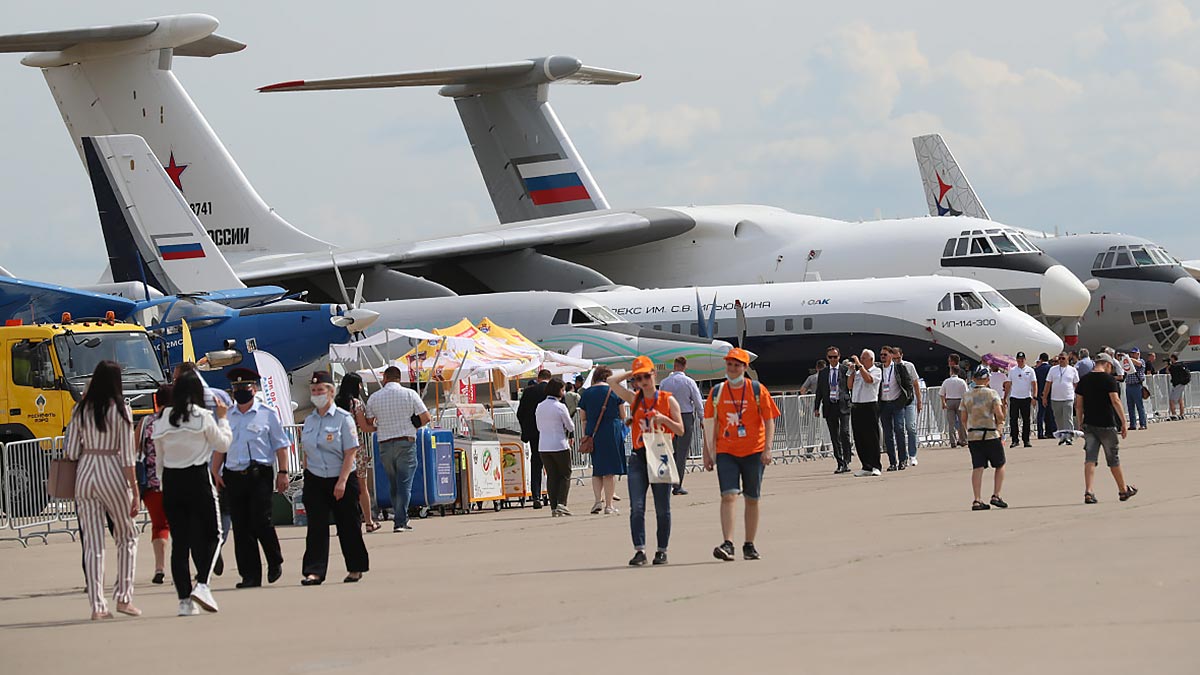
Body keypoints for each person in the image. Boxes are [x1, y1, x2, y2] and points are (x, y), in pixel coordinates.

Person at [65, 361, 141, 620]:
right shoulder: (121, 411)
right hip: (112, 469)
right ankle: (123, 597)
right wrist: (135, 491)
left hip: (85, 473)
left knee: (93, 543)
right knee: (127, 536)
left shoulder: (80, 410)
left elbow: (71, 451)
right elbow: (129, 458)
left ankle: (98, 605)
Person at [153, 370, 231, 616]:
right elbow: (223, 444)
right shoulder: (204, 416)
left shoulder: (163, 418)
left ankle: (184, 600)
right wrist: (224, 419)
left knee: (181, 544)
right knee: (215, 534)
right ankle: (203, 585)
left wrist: (164, 487)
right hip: (197, 476)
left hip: (171, 481)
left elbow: (159, 459)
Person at [211, 367, 290, 589]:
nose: (240, 392)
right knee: (242, 526)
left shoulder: (266, 413)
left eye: (244, 387)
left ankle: (274, 560)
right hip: (233, 476)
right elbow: (221, 445)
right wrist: (215, 472)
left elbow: (281, 445)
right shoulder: (227, 416)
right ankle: (249, 575)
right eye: (236, 388)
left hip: (259, 475)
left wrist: (283, 473)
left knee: (261, 521)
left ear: (253, 389)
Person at [702, 348, 780, 561]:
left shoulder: (756, 390)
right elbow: (709, 425)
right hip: (726, 450)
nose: (732, 368)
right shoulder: (717, 392)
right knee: (728, 495)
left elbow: (769, 419)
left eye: (737, 365)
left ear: (745, 368)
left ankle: (749, 544)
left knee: (752, 498)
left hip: (754, 451)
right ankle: (728, 543)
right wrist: (707, 454)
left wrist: (768, 449)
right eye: (729, 364)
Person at [608, 357, 685, 565]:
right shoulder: (635, 400)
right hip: (639, 457)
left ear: (654, 375)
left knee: (662, 507)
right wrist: (630, 373)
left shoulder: (668, 400)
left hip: (660, 454)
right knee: (637, 506)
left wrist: (665, 419)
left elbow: (680, 429)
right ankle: (640, 550)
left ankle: (662, 550)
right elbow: (611, 382)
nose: (643, 381)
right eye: (638, 378)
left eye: (646, 376)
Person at [300, 371, 370, 585]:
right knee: (316, 527)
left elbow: (351, 452)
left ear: (330, 392)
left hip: (341, 477)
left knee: (348, 525)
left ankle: (355, 568)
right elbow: (307, 449)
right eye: (313, 391)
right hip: (315, 478)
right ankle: (314, 571)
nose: (316, 394)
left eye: (320, 390)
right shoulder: (310, 420)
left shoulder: (343, 418)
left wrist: (341, 482)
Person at [173, 362, 233, 577]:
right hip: (217, 464)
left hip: (192, 468)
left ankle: (208, 554)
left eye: (176, 378)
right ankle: (214, 549)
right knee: (220, 514)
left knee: (197, 519)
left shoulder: (178, 406)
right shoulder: (219, 397)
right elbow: (227, 435)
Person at [362, 366, 430, 532]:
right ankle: (400, 521)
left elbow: (369, 422)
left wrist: (382, 424)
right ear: (399, 378)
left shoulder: (374, 397)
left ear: (385, 378)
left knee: (393, 483)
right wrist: (414, 425)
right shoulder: (410, 394)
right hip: (405, 442)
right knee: (404, 483)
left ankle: (400, 516)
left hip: (384, 443)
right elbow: (426, 417)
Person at [1075, 354, 1137, 504]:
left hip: (1089, 424)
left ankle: (1089, 491)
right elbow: (1115, 400)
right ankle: (1123, 490)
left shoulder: (1084, 379)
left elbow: (1079, 404)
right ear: (1108, 364)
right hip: (1106, 424)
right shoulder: (1109, 380)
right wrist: (1123, 421)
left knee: (1090, 458)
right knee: (1113, 458)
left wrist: (1079, 422)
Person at [137, 383, 173, 586]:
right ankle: (182, 565)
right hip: (177, 481)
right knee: (181, 526)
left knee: (159, 526)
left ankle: (160, 567)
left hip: (151, 484)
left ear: (156, 401)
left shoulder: (145, 423)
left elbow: (136, 451)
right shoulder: (181, 421)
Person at [335, 373, 380, 533]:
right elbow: (364, 427)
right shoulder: (356, 404)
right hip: (355, 447)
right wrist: (379, 428)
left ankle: (343, 524)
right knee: (361, 486)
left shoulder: (335, 403)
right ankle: (368, 521)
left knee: (341, 485)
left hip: (338, 448)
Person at [959, 365, 1008, 511]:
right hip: (990, 433)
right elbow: (999, 415)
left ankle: (977, 499)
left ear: (974, 379)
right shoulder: (992, 394)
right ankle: (996, 494)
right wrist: (1000, 428)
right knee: (1000, 464)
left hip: (974, 435)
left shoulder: (967, 395)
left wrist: (969, 429)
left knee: (978, 466)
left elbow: (963, 417)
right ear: (987, 379)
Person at [579, 366, 627, 514]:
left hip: (594, 432)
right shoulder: (614, 391)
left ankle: (597, 501)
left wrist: (586, 434)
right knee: (610, 470)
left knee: (598, 468)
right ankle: (609, 505)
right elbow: (623, 414)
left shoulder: (587, 393)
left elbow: (583, 418)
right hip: (612, 430)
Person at [659, 356, 704, 495]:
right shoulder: (689, 382)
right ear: (685, 367)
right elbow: (697, 401)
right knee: (682, 452)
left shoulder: (664, 382)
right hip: (684, 417)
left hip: (668, 417)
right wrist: (702, 418)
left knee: (670, 451)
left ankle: (666, 482)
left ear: (674, 366)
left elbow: (660, 399)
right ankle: (677, 485)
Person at [534, 379, 575, 516]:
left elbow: (538, 426)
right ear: (559, 390)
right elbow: (570, 426)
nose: (563, 393)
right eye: (562, 390)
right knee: (565, 474)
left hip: (543, 446)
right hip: (559, 444)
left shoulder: (540, 406)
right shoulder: (560, 406)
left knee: (552, 476)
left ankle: (553, 507)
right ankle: (561, 503)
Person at [814, 346, 853, 473]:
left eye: (835, 357)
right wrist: (816, 407)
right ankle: (840, 462)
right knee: (834, 436)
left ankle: (847, 459)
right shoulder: (823, 372)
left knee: (844, 432)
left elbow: (851, 386)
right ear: (827, 358)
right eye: (830, 357)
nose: (833, 359)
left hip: (843, 404)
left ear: (839, 357)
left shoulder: (845, 370)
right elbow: (819, 391)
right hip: (830, 405)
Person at [516, 370, 552, 508]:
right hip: (550, 432)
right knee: (551, 463)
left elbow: (520, 413)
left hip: (534, 433)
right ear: (550, 378)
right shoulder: (553, 390)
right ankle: (551, 493)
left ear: (538, 378)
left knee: (536, 462)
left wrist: (526, 429)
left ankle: (536, 495)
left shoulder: (529, 392)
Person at [848, 349, 883, 477]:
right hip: (857, 405)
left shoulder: (877, 371)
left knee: (872, 437)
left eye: (864, 358)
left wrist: (859, 365)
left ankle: (876, 465)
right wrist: (852, 371)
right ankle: (866, 465)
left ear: (871, 360)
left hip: (869, 405)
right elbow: (850, 386)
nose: (861, 360)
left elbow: (869, 380)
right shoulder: (858, 372)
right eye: (861, 358)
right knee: (859, 437)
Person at [876, 347, 911, 471]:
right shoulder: (878, 369)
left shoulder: (899, 368)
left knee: (899, 430)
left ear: (891, 355)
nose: (883, 357)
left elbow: (908, 384)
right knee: (887, 434)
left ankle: (903, 459)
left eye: (885, 354)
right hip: (884, 404)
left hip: (897, 403)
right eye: (881, 355)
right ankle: (892, 462)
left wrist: (906, 400)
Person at [894, 346, 922, 466]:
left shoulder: (909, 366)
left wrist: (919, 401)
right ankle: (903, 455)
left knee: (911, 427)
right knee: (899, 428)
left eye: (898, 357)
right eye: (894, 358)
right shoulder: (890, 367)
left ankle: (913, 454)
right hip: (897, 400)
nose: (897, 360)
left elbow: (916, 384)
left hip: (909, 399)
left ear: (902, 355)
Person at [1044, 353, 1080, 445]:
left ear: (1067, 359)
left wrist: (1079, 398)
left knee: (1067, 417)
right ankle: (1062, 437)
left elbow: (1076, 385)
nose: (1061, 360)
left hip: (1068, 397)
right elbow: (1048, 384)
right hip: (1055, 398)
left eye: (1063, 358)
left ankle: (1069, 437)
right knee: (1058, 418)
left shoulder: (1073, 370)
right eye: (1059, 359)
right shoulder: (1053, 369)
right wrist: (1044, 397)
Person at [1007, 352, 1036, 448]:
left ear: (1025, 359)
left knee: (1026, 420)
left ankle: (1026, 440)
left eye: (1022, 360)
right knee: (1013, 419)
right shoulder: (1012, 370)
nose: (1020, 362)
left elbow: (1034, 384)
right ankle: (1015, 440)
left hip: (1026, 397)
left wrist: (1034, 396)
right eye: (1018, 360)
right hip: (1015, 397)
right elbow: (1009, 384)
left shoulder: (1030, 370)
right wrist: (1005, 397)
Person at [941, 366, 968, 448]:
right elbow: (966, 393)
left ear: (951, 371)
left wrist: (943, 403)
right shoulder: (962, 381)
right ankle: (963, 439)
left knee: (951, 423)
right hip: (959, 400)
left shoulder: (946, 381)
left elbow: (942, 393)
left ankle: (953, 441)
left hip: (949, 401)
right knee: (961, 421)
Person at [1122, 347, 1148, 430]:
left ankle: (1142, 424)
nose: (1132, 355)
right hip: (1129, 385)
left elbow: (1139, 364)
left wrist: (1128, 359)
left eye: (1134, 353)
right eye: (1131, 353)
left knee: (1139, 406)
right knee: (1130, 406)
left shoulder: (1141, 361)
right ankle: (1133, 424)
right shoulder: (1129, 362)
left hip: (1137, 385)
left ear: (1138, 354)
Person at [1034, 353, 1057, 439]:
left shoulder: (1037, 370)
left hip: (1040, 393)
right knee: (1050, 413)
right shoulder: (1051, 369)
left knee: (1041, 413)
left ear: (1040, 359)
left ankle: (1040, 432)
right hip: (1051, 393)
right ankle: (1051, 431)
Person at [1167, 354, 1191, 420]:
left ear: (1172, 358)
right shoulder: (1182, 364)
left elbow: (1167, 371)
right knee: (1180, 400)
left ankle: (1174, 414)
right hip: (1183, 384)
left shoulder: (1173, 366)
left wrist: (1168, 364)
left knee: (1171, 400)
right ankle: (1182, 414)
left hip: (1177, 385)